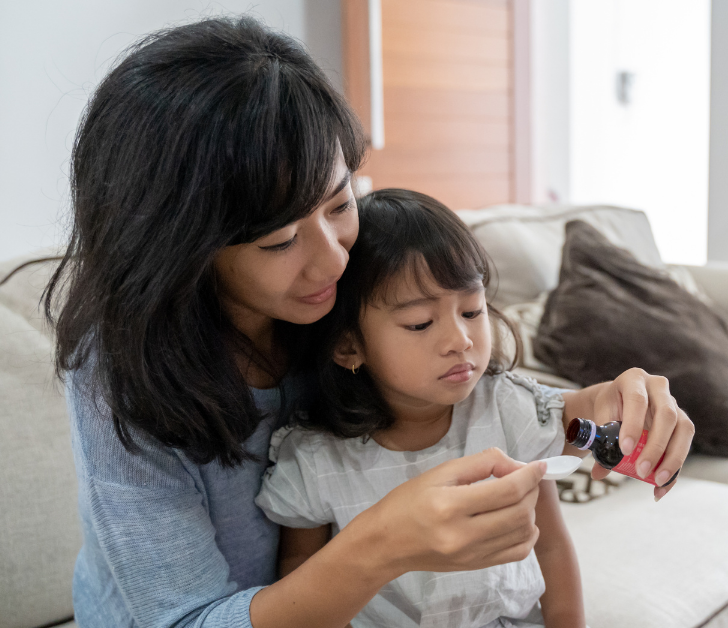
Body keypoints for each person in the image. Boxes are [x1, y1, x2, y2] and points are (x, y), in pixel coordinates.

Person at [45, 15, 694, 628]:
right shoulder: (119, 376)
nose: (332, 259)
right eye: (278, 242)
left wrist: (607, 409)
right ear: (182, 249)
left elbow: (505, 409)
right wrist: (384, 542)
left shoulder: (344, 293)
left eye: (338, 204)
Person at [256, 189, 585, 627]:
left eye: (471, 310)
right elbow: (303, 580)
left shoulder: (505, 411)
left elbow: (551, 546)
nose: (460, 340)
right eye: (420, 323)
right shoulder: (316, 458)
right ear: (349, 346)